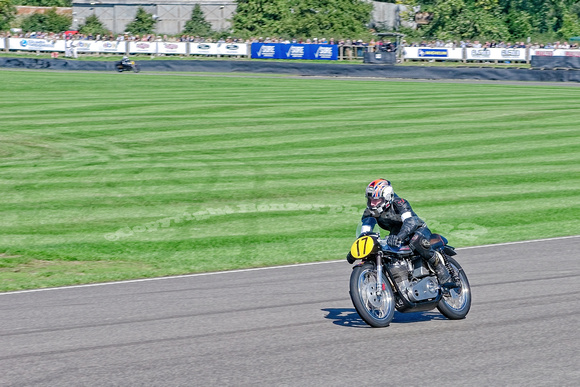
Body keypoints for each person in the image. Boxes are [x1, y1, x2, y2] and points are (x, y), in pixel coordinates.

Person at [349, 178, 458, 287]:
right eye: (370, 199)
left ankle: (441, 270)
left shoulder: (399, 203)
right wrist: (356, 251)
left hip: (417, 230)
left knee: (417, 241)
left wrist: (399, 237)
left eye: (376, 200)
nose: (372, 203)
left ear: (387, 197)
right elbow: (365, 232)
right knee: (385, 251)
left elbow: (410, 222)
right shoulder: (369, 212)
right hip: (396, 233)